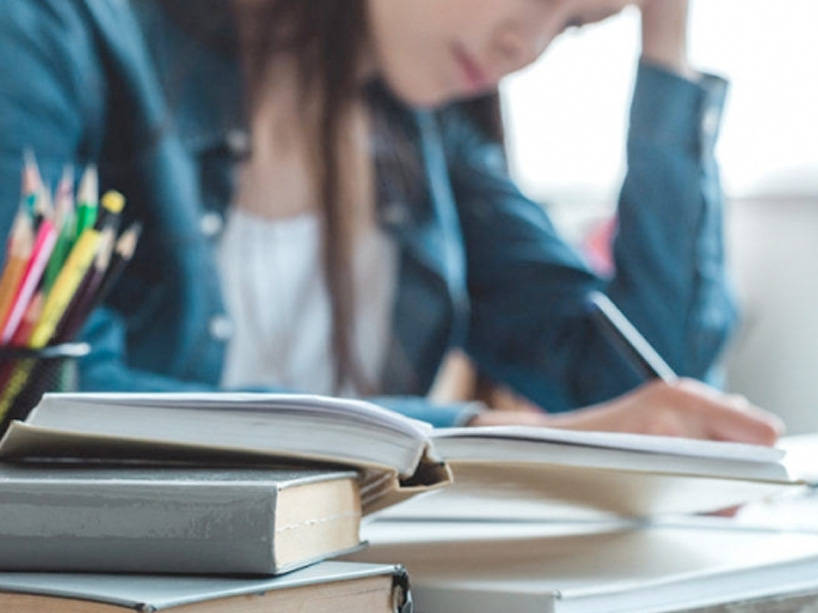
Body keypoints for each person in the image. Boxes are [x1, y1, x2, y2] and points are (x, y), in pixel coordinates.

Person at [0, 0, 782, 443]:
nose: (527, 45)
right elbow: (44, 396)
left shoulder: (426, 144)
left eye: (575, 23)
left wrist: (667, 44)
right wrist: (477, 439)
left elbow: (661, 392)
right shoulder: (52, 35)